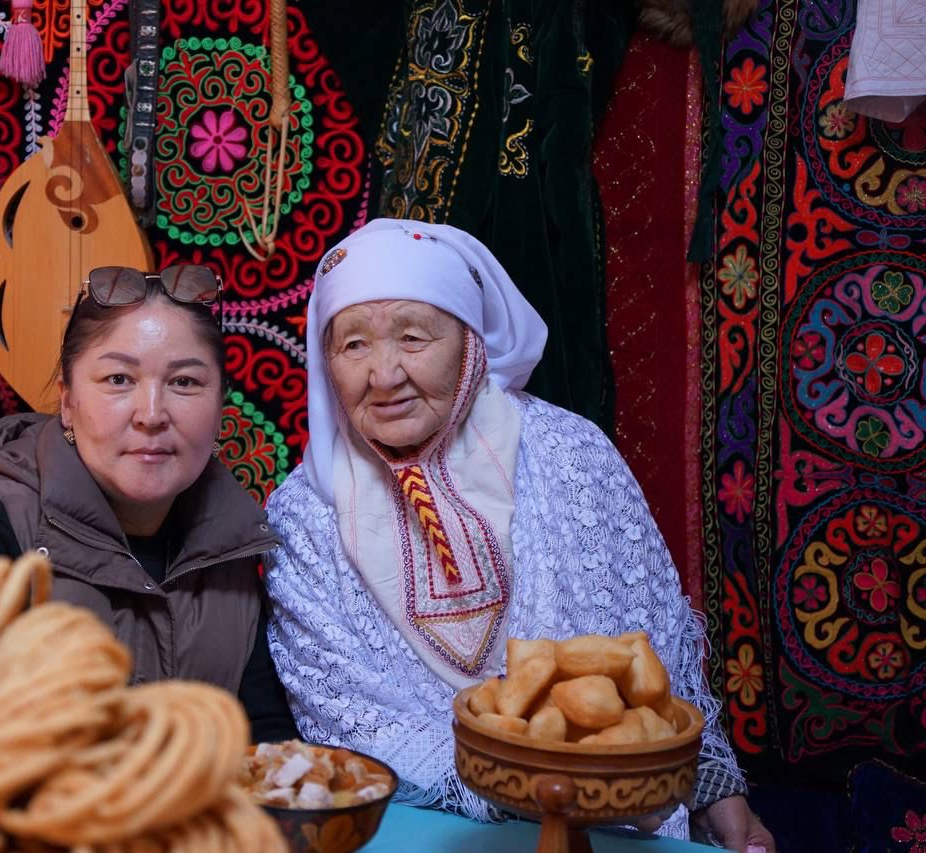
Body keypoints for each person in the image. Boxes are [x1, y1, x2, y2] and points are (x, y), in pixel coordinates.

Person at [264, 219, 775, 850]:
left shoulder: (570, 454)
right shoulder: (305, 511)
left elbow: (656, 657)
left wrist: (714, 785)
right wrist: (536, 781)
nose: (384, 374)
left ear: (472, 341)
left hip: (618, 821)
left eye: (414, 337)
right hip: (424, 831)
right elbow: (341, 714)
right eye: (353, 346)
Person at [0, 265, 297, 744]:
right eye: (118, 379)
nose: (152, 414)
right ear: (67, 402)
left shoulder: (231, 552)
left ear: (220, 406)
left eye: (184, 383)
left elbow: (266, 747)